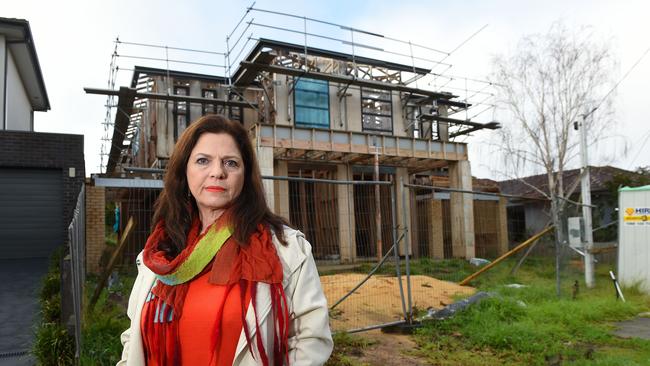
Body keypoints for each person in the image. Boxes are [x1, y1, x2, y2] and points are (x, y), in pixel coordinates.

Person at [118, 115, 333, 365]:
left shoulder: (286, 249)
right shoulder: (159, 254)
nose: (218, 172)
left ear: (246, 175)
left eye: (230, 163)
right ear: (184, 171)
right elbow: (133, 338)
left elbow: (312, 340)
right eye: (203, 161)